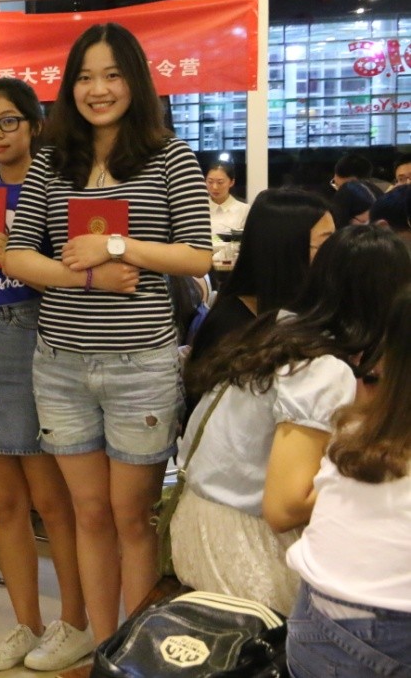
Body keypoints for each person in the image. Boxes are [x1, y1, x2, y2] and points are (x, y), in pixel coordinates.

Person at [1, 22, 212, 643]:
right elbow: (18, 256)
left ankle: (136, 653)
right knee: (89, 514)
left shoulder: (170, 156)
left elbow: (197, 255)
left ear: (135, 82)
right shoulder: (51, 160)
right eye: (85, 77)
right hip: (60, 365)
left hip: (140, 365)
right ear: (70, 87)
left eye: (112, 75)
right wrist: (89, 277)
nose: (98, 90)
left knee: (132, 518)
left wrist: (116, 245)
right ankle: (101, 647)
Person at [176, 224, 411, 615]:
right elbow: (284, 507)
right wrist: (371, 472)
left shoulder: (283, 329)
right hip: (242, 544)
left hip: (200, 518)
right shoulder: (322, 369)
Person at [0, 78, 92, 671]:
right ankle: (26, 625)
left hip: (36, 340)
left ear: (35, 124)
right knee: (2, 503)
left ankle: (75, 624)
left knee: (52, 503)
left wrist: (23, 261)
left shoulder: (58, 190)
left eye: (8, 121)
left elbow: (75, 277)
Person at [285, 286, 411, 675]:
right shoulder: (323, 375)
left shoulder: (355, 426)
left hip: (309, 622)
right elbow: (283, 507)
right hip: (386, 634)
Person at [186, 188, 333, 375]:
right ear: (286, 249)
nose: (334, 253)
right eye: (325, 244)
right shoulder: (233, 328)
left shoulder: (310, 306)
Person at [204, 161, 248, 238]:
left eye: (220, 182)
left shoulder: (244, 209)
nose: (215, 187)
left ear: (231, 182)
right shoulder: (199, 208)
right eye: (210, 182)